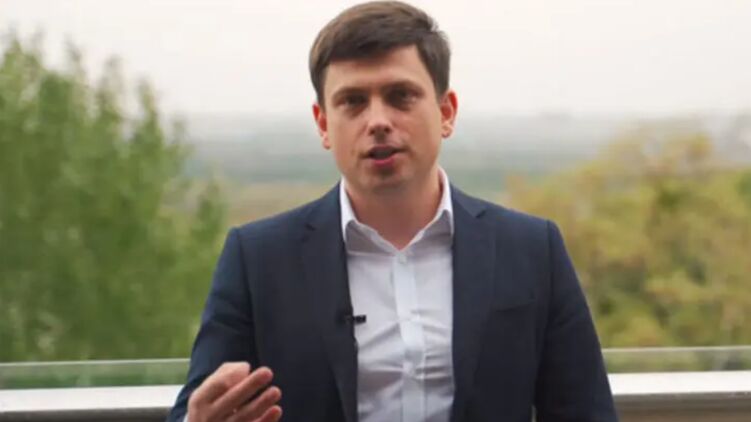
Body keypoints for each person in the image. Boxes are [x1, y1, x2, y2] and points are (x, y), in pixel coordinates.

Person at [168, 1, 618, 421]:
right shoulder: (257, 260)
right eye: (353, 101)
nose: (378, 120)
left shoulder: (532, 249)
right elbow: (199, 406)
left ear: (446, 111)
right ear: (323, 124)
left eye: (401, 96)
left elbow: (586, 411)